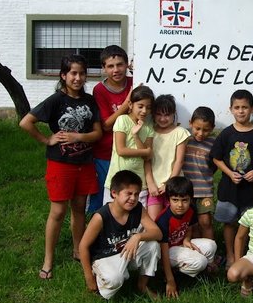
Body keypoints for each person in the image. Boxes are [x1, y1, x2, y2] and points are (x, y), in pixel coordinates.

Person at [19, 54, 102, 279]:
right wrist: (47, 140)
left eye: (82, 73)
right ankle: (48, 259)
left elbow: (97, 133)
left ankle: (78, 250)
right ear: (64, 76)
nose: (78, 78)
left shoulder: (89, 100)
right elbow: (26, 122)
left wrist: (78, 136)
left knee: (78, 208)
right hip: (60, 164)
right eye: (73, 73)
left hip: (84, 164)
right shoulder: (56, 100)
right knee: (58, 211)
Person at [79, 170, 162, 300]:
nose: (133, 198)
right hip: (104, 256)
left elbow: (157, 233)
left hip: (125, 251)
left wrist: (138, 236)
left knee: (153, 245)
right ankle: (100, 278)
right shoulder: (101, 216)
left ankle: (142, 286)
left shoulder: (138, 209)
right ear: (114, 193)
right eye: (128, 193)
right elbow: (83, 246)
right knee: (114, 281)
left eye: (136, 194)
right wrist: (88, 277)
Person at [210, 89, 253, 269]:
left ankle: (244, 255)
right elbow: (216, 157)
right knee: (229, 223)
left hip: (251, 189)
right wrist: (229, 173)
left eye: (244, 107)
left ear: (252, 109)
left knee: (248, 223)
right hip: (229, 188)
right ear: (231, 109)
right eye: (237, 107)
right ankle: (230, 254)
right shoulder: (226, 133)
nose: (241, 111)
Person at [155, 176, 218, 298]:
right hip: (166, 252)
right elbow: (163, 250)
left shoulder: (191, 210)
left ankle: (204, 272)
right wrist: (170, 280)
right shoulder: (163, 219)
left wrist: (187, 239)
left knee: (211, 245)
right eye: (175, 200)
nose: (180, 205)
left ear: (190, 199)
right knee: (200, 261)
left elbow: (189, 227)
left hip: (181, 244)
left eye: (184, 200)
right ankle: (172, 274)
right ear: (168, 200)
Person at [90, 45, 133, 213]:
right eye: (110, 66)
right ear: (103, 68)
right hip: (106, 153)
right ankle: (98, 231)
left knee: (129, 194)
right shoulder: (100, 90)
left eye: (120, 64)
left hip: (131, 150)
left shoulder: (135, 81)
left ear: (127, 65)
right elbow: (106, 125)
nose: (116, 70)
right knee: (105, 195)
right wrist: (127, 102)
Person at [103, 85, 154, 206]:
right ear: (130, 105)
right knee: (112, 217)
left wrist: (136, 136)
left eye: (148, 107)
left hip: (139, 183)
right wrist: (145, 152)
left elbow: (147, 158)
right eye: (140, 106)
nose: (144, 111)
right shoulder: (122, 120)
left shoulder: (148, 126)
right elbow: (121, 150)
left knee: (137, 221)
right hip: (117, 181)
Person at [145, 94, 190, 219]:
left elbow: (179, 161)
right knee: (153, 222)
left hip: (175, 186)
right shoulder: (150, 132)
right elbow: (146, 160)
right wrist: (150, 183)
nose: (163, 118)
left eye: (167, 115)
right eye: (159, 114)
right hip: (154, 186)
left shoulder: (180, 132)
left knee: (175, 222)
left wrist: (168, 184)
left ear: (174, 114)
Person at [182, 106, 217, 239]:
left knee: (205, 221)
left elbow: (215, 165)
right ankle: (196, 254)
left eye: (206, 130)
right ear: (190, 123)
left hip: (204, 190)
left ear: (212, 128)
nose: (201, 133)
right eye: (197, 128)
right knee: (192, 224)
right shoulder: (184, 139)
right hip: (186, 190)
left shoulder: (213, 143)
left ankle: (211, 255)